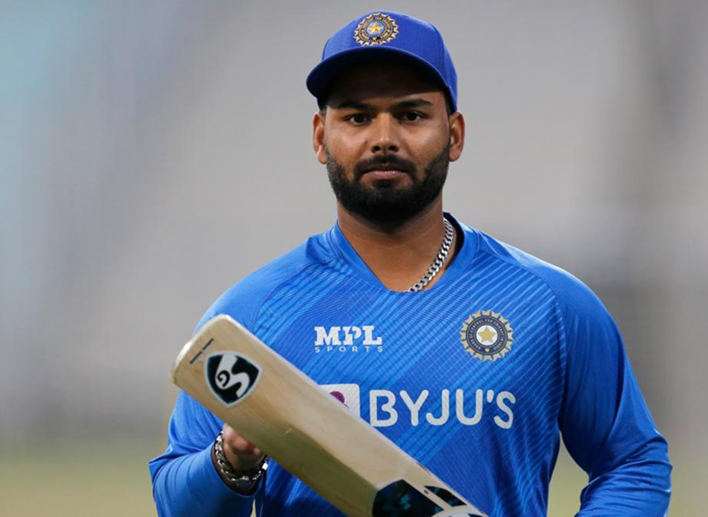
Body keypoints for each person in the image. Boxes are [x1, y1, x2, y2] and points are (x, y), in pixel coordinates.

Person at [149, 10, 672, 516]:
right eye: (357, 117)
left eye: (411, 115)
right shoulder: (253, 315)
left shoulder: (549, 305)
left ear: (455, 135)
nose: (383, 138)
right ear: (320, 137)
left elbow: (633, 463)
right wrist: (232, 458)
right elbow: (176, 502)